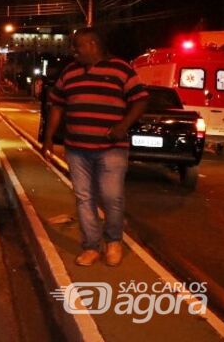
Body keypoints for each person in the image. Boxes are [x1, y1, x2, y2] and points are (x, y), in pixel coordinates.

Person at [41, 28, 148, 267]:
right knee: (83, 198)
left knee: (112, 197)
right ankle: (91, 246)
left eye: (77, 46)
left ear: (92, 44)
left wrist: (123, 125)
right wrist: (48, 138)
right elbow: (57, 105)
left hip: (111, 148)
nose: (74, 50)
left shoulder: (121, 69)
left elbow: (140, 100)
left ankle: (113, 241)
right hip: (77, 148)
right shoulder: (70, 72)